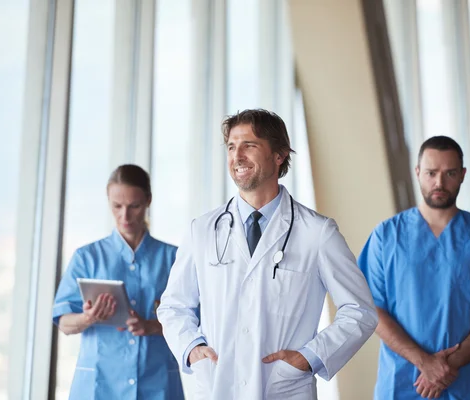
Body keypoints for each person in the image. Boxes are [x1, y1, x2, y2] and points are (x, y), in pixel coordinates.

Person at [157, 109, 378, 399]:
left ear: (279, 154)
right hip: (217, 385)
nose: (237, 157)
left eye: (249, 146)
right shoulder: (203, 230)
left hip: (284, 388)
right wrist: (192, 350)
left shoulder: (317, 232)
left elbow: (360, 311)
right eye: (232, 147)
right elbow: (173, 307)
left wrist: (308, 357)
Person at [358, 136, 470, 399]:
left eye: (449, 173)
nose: (439, 183)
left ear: (462, 175)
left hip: (469, 385)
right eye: (431, 173)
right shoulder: (386, 237)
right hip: (403, 384)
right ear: (418, 173)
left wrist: (448, 365)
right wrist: (425, 363)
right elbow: (372, 310)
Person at [52, 164, 185, 400]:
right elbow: (63, 322)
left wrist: (152, 326)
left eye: (134, 206)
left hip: (157, 384)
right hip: (99, 386)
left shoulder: (174, 258)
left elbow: (197, 321)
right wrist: (88, 318)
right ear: (108, 201)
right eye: (117, 206)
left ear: (148, 201)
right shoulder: (87, 257)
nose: (125, 216)